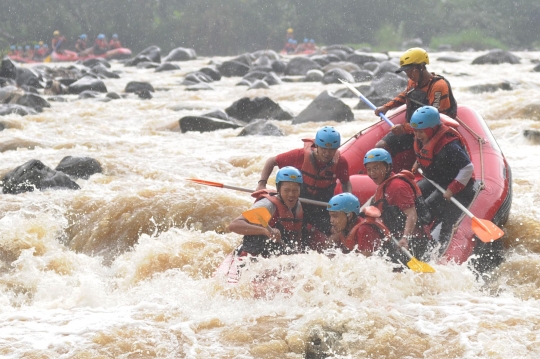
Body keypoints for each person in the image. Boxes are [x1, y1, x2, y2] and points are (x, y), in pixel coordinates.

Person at [256, 126, 351, 236]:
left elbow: (346, 183)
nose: (327, 153)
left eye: (332, 150)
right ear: (317, 146)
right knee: (295, 230)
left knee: (336, 234)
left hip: (322, 207)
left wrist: (347, 199)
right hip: (299, 202)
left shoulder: (341, 162)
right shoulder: (299, 155)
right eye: (324, 148)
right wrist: (262, 184)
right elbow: (271, 161)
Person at [410, 106, 475, 249]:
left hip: (459, 187)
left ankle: (442, 248)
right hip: (437, 180)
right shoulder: (424, 137)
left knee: (445, 220)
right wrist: (417, 162)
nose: (418, 135)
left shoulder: (450, 145)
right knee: (414, 196)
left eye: (421, 131)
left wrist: (452, 189)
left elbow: (468, 168)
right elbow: (424, 153)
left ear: (432, 128)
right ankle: (418, 235)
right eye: (415, 131)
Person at [374, 48, 458, 157]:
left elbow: (434, 120)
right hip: (413, 130)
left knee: (425, 153)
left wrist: (404, 128)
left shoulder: (438, 86)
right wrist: (386, 107)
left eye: (410, 70)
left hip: (432, 133)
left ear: (421, 67)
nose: (408, 75)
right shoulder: (413, 82)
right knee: (381, 146)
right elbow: (405, 95)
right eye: (406, 71)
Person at [364, 148, 432, 261]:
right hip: (396, 237)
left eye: (376, 168)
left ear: (388, 167)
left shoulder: (397, 186)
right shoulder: (384, 185)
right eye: (369, 169)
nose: (372, 173)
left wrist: (405, 238)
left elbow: (412, 214)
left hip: (414, 240)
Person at [229, 166, 305, 258]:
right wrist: (265, 231)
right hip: (253, 254)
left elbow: (297, 234)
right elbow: (234, 225)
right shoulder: (268, 205)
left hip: (277, 254)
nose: (291, 195)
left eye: (295, 190)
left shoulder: (297, 206)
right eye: (286, 190)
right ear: (279, 189)